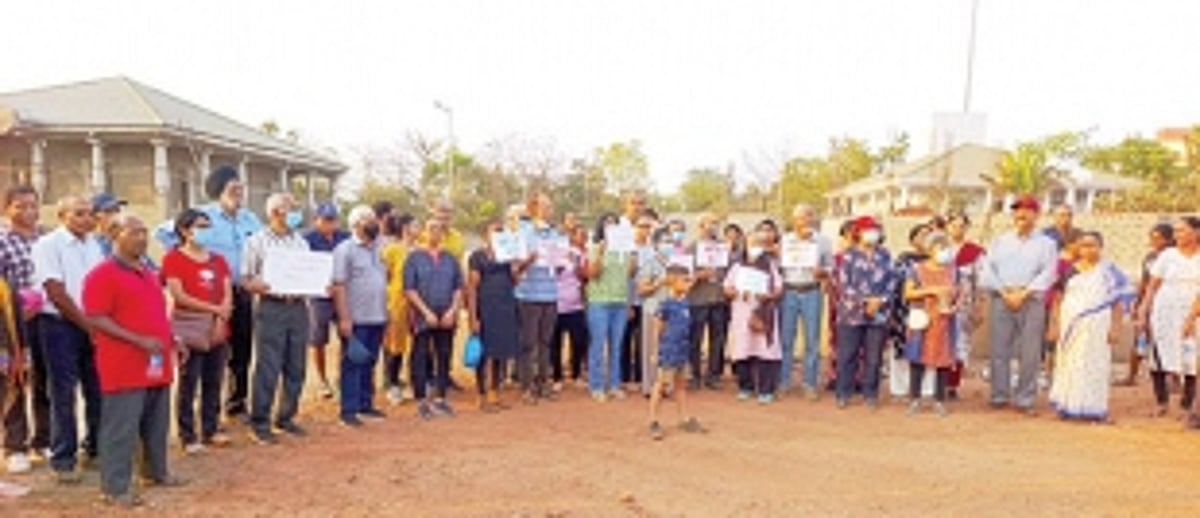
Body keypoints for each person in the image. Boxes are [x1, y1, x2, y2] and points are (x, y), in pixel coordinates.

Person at [82, 213, 185, 507]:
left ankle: (156, 471)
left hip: (156, 361)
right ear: (115, 234)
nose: (142, 238)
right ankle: (114, 487)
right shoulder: (102, 274)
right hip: (124, 363)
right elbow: (96, 317)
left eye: (144, 232)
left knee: (157, 421)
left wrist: (171, 339)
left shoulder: (148, 272)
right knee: (121, 427)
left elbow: (155, 313)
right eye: (134, 232)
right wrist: (137, 340)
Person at [31, 195, 104, 483]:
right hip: (59, 325)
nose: (87, 219)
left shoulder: (94, 245)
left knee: (96, 388)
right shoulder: (47, 246)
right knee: (63, 392)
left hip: (93, 324)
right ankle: (64, 458)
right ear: (62, 216)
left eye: (89, 214)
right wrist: (87, 324)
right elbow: (55, 291)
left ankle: (96, 448)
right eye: (79, 214)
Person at [241, 193, 312, 444]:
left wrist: (317, 285)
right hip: (271, 306)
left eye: (294, 208)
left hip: (298, 306)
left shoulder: (300, 242)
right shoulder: (257, 242)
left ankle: (286, 416)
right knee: (268, 366)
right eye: (289, 208)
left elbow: (309, 273)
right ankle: (260, 421)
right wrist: (259, 285)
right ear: (274, 212)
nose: (294, 212)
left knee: (297, 365)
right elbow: (246, 279)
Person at [161, 209, 233, 454]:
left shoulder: (218, 260)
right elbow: (179, 295)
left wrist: (221, 316)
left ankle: (211, 428)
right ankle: (187, 434)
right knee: (188, 380)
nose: (206, 230)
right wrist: (213, 309)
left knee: (214, 379)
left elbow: (226, 291)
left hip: (217, 324)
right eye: (201, 226)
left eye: (208, 226)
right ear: (185, 230)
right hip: (188, 324)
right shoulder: (173, 259)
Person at [980, 195, 1059, 416]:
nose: (1021, 215)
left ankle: (1025, 398)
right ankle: (999, 394)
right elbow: (987, 270)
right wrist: (1005, 292)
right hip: (1002, 297)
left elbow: (1049, 273)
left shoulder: (1047, 244)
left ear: (1036, 214)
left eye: (1027, 210)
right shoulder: (999, 241)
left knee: (1030, 351)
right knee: (999, 349)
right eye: (1017, 210)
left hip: (1031, 299)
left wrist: (1024, 293)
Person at [1047, 231, 1133, 424]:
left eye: (1093, 245)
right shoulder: (1069, 271)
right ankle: (1068, 405)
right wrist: (1054, 325)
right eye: (1084, 245)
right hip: (1071, 324)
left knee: (1095, 364)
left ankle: (1092, 407)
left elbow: (1117, 302)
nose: (1088, 249)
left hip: (1098, 326)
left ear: (1100, 247)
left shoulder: (1109, 272)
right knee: (1069, 364)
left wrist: (1116, 328)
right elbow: (1058, 300)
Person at [198, 165, 263, 420]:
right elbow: (167, 233)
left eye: (240, 188)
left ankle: (236, 403)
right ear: (218, 190)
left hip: (243, 292)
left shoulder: (250, 219)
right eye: (233, 188)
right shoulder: (202, 216)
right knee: (212, 350)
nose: (238, 193)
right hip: (211, 296)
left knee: (242, 349)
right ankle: (207, 409)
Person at [0, 185, 49, 475]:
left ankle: (42, 440)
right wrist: (19, 302)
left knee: (46, 379)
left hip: (49, 317)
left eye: (32, 205)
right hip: (11, 323)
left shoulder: (47, 237)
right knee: (14, 379)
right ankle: (14, 446)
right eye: (20, 206)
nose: (27, 212)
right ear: (7, 209)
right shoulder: (3, 240)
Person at [330, 206, 388, 428]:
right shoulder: (344, 250)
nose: (373, 223)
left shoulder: (381, 248)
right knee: (353, 362)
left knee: (370, 361)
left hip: (378, 315)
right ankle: (349, 409)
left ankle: (366, 404)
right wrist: (344, 318)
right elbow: (339, 285)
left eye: (374, 219)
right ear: (355, 225)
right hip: (356, 317)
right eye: (367, 220)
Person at [833, 216, 897, 409]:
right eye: (869, 230)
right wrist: (865, 301)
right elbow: (844, 284)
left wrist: (880, 300)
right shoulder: (848, 256)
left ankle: (871, 394)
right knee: (847, 354)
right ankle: (844, 392)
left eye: (876, 230)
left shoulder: (885, 255)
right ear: (858, 233)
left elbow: (893, 281)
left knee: (874, 356)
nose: (873, 234)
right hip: (851, 313)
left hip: (879, 313)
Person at [1139, 216, 1200, 417]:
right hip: (1165, 308)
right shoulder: (1167, 255)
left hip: (1193, 310)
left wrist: (1191, 318)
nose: (1177, 235)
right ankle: (1161, 401)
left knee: (1191, 358)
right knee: (1159, 355)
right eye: (1176, 231)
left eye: (1182, 230)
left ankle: (1187, 403)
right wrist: (1144, 309)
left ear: (1196, 232)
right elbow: (1153, 285)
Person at [404, 219, 464, 419]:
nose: (435, 233)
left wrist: (452, 310)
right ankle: (421, 399)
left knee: (444, 355)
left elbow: (458, 287)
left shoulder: (450, 259)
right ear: (423, 233)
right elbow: (409, 289)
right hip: (422, 316)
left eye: (438, 230)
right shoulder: (414, 258)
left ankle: (441, 398)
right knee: (420, 355)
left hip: (446, 315)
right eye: (431, 229)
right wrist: (426, 312)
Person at [778, 204, 834, 399]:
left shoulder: (824, 241)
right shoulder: (785, 241)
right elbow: (777, 267)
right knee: (786, 339)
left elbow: (831, 266)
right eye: (801, 217)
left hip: (812, 291)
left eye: (810, 215)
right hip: (789, 291)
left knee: (812, 340)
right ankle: (783, 381)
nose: (806, 220)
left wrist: (823, 272)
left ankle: (809, 383)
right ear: (794, 220)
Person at [726, 221, 785, 404]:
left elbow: (779, 288)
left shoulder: (770, 266)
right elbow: (727, 288)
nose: (754, 248)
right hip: (742, 312)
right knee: (743, 349)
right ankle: (745, 387)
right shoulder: (737, 267)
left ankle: (766, 389)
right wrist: (734, 292)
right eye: (751, 244)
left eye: (758, 244)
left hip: (764, 312)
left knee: (765, 350)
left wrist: (768, 295)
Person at [901, 232, 959, 417]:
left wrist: (954, 305)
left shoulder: (953, 270)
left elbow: (960, 292)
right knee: (918, 357)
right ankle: (914, 399)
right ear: (930, 249)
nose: (944, 252)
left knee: (943, 359)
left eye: (946, 247)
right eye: (940, 247)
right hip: (923, 318)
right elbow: (908, 293)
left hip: (944, 319)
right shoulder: (917, 269)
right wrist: (931, 290)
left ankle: (939, 400)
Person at [513, 193, 563, 403]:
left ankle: (543, 384)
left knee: (545, 342)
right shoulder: (523, 232)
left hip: (550, 293)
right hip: (528, 294)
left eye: (550, 205)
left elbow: (558, 268)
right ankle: (526, 386)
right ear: (533, 208)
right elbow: (516, 268)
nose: (549, 209)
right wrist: (529, 260)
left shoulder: (554, 234)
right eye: (545, 205)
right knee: (528, 343)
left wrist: (561, 263)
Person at [467, 220, 521, 412]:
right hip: (485, 308)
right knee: (484, 352)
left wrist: (516, 266)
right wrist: (473, 317)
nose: (499, 234)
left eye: (501, 231)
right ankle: (481, 394)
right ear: (486, 235)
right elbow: (472, 288)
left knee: (500, 351)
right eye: (495, 231)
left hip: (505, 307)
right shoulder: (477, 257)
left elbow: (514, 281)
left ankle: (494, 392)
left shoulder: (506, 256)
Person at [647, 265, 703, 440]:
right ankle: (653, 421)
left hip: (682, 349)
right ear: (672, 282)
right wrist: (656, 351)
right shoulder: (666, 304)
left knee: (681, 385)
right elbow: (657, 329)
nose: (689, 283)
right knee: (661, 386)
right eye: (684, 280)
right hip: (669, 349)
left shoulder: (685, 302)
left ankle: (684, 418)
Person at [303, 202, 350, 399]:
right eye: (326, 220)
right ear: (316, 220)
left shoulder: (346, 238)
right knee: (318, 339)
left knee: (346, 334)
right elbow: (302, 267)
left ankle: (343, 378)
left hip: (343, 293)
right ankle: (322, 380)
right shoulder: (306, 239)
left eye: (333, 220)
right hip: (318, 296)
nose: (330, 224)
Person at [586, 213, 634, 402]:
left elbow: (629, 275)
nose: (611, 227)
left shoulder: (625, 250)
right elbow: (592, 274)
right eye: (608, 224)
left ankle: (614, 384)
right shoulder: (595, 247)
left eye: (615, 224)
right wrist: (600, 252)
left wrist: (631, 252)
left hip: (620, 302)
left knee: (616, 346)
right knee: (598, 345)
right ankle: (596, 385)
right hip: (599, 302)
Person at [1122, 223, 1173, 386]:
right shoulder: (1150, 257)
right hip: (1148, 302)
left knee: (1165, 340)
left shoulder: (1174, 257)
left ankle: (1174, 379)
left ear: (1169, 239)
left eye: (1158, 238)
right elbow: (1144, 282)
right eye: (1152, 237)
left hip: (1166, 303)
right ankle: (1131, 375)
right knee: (1140, 338)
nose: (1153, 241)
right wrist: (1138, 304)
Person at [687, 213, 732, 390]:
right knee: (695, 340)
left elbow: (731, 271)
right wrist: (698, 275)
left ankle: (713, 375)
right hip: (698, 299)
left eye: (715, 223)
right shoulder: (691, 248)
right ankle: (694, 375)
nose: (712, 226)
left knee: (718, 339)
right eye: (709, 223)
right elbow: (682, 275)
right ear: (700, 226)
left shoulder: (723, 247)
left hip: (718, 299)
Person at [888, 224, 933, 399]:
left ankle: (927, 388)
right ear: (912, 239)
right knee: (903, 346)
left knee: (928, 346)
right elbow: (894, 285)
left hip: (931, 309)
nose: (925, 238)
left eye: (929, 235)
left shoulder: (937, 261)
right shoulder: (903, 259)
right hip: (904, 309)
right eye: (921, 235)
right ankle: (899, 388)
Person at [945, 212, 986, 399]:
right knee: (940, 342)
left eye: (962, 226)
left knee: (960, 344)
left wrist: (979, 305)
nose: (957, 230)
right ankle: (936, 383)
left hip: (964, 305)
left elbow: (981, 281)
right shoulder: (938, 248)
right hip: (940, 303)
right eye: (954, 225)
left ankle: (952, 385)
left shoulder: (974, 252)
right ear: (947, 227)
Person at [381, 213, 418, 404]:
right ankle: (392, 383)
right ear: (405, 229)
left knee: (418, 344)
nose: (418, 229)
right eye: (415, 225)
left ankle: (415, 382)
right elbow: (385, 276)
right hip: (397, 301)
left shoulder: (421, 250)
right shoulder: (392, 250)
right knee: (396, 345)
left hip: (418, 303)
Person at [621, 213, 658, 389]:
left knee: (644, 342)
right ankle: (625, 377)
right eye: (641, 226)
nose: (645, 230)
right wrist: (627, 303)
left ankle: (642, 377)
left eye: (648, 227)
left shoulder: (653, 250)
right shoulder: (626, 248)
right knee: (625, 339)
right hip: (629, 300)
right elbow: (625, 279)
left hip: (648, 302)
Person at [551, 224, 589, 389]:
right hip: (556, 304)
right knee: (555, 342)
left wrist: (576, 266)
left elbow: (584, 278)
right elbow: (552, 274)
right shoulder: (553, 253)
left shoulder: (578, 254)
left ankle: (576, 374)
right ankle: (557, 377)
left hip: (575, 305)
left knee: (578, 341)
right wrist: (558, 264)